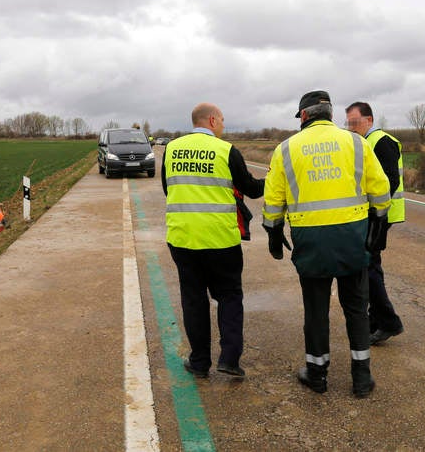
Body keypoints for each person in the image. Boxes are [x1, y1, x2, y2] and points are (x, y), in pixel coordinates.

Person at [262, 90, 390, 398]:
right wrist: (378, 225)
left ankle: (317, 375)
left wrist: (273, 231)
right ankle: (361, 378)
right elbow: (381, 189)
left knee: (316, 310)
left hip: (311, 241)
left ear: (304, 116)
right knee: (357, 308)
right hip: (351, 237)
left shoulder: (286, 149)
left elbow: (273, 199)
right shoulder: (356, 143)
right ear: (330, 114)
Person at [162, 102, 264, 378]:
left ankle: (199, 362)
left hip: (182, 238)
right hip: (221, 240)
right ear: (211, 120)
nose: (223, 124)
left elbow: (166, 188)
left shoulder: (171, 149)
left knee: (194, 300)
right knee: (229, 297)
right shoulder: (226, 150)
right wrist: (273, 182)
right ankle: (229, 360)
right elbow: (251, 189)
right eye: (221, 119)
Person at [345, 102, 405, 345]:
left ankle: (389, 322)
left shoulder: (382, 141)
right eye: (348, 123)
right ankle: (376, 322)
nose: (351, 127)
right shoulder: (363, 142)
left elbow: (388, 182)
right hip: (371, 214)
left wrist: (374, 211)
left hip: (379, 216)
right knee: (370, 267)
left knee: (369, 268)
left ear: (369, 120)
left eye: (355, 122)